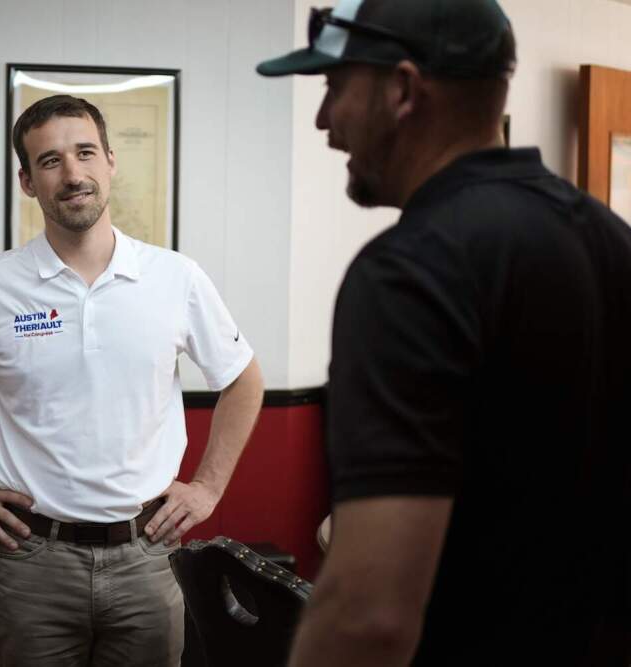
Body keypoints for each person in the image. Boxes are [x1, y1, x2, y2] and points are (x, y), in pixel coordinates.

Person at [257, 1, 631, 665]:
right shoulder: (610, 238)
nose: (323, 121)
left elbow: (368, 617)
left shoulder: (410, 272)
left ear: (402, 90)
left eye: (335, 89)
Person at [0, 94, 264, 666]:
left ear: (111, 160)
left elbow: (243, 378)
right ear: (27, 181)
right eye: (50, 161)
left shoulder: (175, 278)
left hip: (148, 556)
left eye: (85, 152)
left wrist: (208, 487)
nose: (72, 173)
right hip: (33, 564)